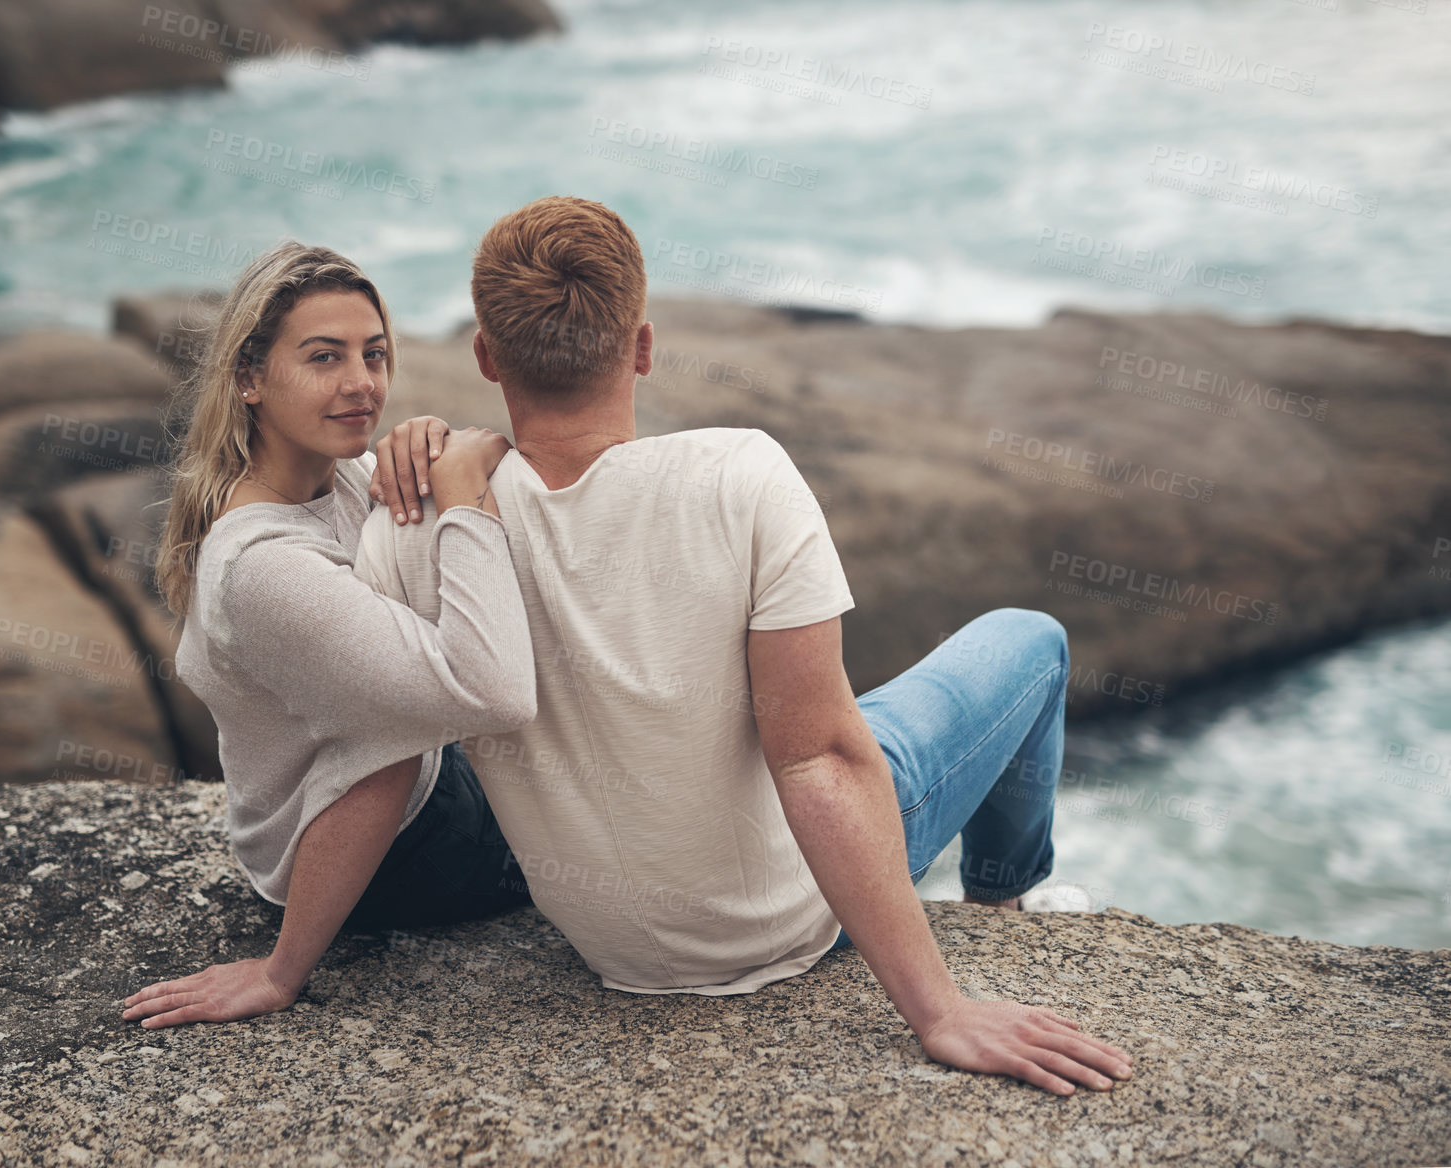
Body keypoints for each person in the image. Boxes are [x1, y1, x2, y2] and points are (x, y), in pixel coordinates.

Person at [354, 196, 1134, 1096]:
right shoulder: (741, 477)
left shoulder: (419, 528)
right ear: (641, 346)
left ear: (487, 358)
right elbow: (820, 759)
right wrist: (941, 1012)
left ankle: (999, 904)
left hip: (610, 943)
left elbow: (374, 756)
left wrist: (284, 971)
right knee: (1029, 642)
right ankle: (1000, 902)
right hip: (784, 916)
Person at [121, 242, 537, 1029]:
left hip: (403, 790)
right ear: (249, 378)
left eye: (373, 355)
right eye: (323, 357)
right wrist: (281, 974)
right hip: (410, 853)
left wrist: (444, 443)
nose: (361, 383)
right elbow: (472, 706)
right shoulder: (265, 568)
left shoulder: (335, 473)